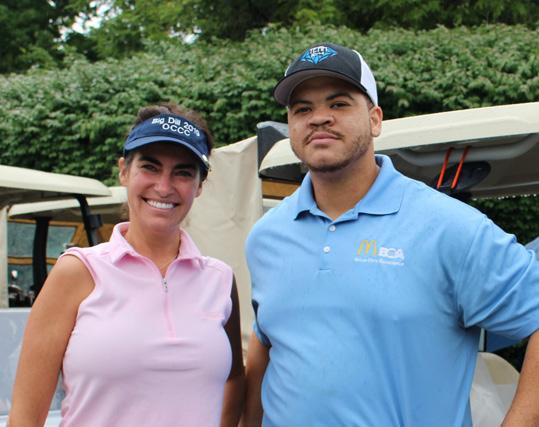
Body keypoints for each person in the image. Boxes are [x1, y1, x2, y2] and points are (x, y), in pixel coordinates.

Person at [241, 42, 539, 426]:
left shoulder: (449, 227)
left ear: (375, 120)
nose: (319, 118)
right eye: (302, 109)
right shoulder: (266, 237)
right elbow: (267, 343)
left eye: (339, 103)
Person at [9, 103, 244, 426]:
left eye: (183, 173)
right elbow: (25, 418)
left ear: (200, 185)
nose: (164, 186)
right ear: (123, 171)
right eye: (150, 167)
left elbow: (234, 378)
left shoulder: (219, 279)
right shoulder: (77, 272)